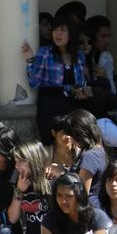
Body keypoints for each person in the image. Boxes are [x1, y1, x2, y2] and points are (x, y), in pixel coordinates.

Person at [22, 14, 88, 145]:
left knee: (72, 144)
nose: (58, 34)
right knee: (51, 143)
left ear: (71, 33)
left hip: (72, 104)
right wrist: (30, 60)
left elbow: (80, 82)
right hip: (50, 103)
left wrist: (82, 91)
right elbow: (34, 83)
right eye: (55, 29)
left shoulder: (79, 55)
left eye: (63, 30)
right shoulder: (45, 52)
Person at [3, 141, 51, 234]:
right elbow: (12, 218)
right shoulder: (20, 182)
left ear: (32, 160)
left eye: (20, 162)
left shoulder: (52, 181)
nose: (16, 166)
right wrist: (19, 191)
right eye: (15, 161)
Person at [64, 109, 107, 204]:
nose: (71, 139)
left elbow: (82, 193)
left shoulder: (89, 156)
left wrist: (61, 174)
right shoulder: (100, 150)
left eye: (72, 135)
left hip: (91, 208)